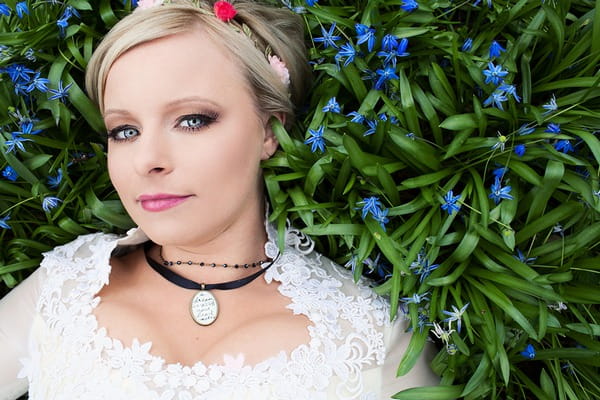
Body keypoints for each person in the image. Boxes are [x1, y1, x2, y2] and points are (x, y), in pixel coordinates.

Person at [0, 0, 438, 398]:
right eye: (125, 131)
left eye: (192, 120)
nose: (147, 160)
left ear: (270, 130)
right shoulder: (62, 289)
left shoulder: (370, 335)